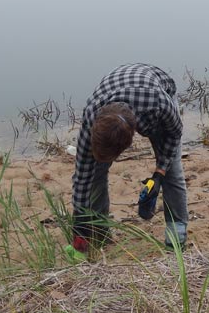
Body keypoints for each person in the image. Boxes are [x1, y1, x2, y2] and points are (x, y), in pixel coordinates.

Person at [67, 63, 188, 261]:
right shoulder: (91, 115)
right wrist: (80, 222)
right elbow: (82, 178)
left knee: (172, 173)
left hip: (156, 89)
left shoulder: (157, 104)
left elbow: (175, 133)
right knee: (95, 174)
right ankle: (100, 234)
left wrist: (159, 173)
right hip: (117, 90)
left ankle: (177, 239)